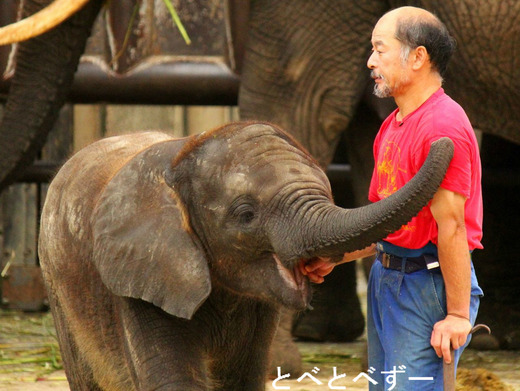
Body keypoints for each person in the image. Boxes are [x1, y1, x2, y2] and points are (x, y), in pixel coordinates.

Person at [302, 6, 483, 390]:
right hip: (388, 278)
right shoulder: (394, 124)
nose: (370, 61)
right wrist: (337, 257)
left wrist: (455, 314)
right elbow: (387, 222)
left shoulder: (441, 126)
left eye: (380, 49)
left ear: (418, 57)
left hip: (426, 284)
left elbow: (451, 228)